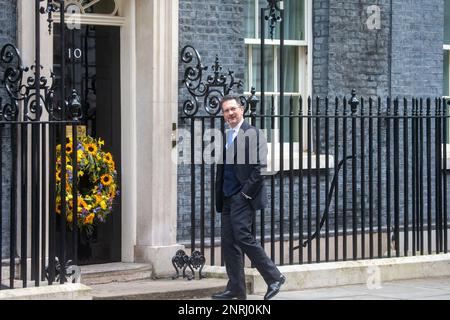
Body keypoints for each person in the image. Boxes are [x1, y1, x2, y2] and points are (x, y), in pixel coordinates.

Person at [211, 95, 285, 300]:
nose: (230, 113)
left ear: (242, 109)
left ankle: (274, 277)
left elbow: (259, 170)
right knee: (228, 243)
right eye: (226, 111)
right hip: (227, 197)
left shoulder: (253, 133)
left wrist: (244, 195)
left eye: (233, 109)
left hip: (242, 197)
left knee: (243, 237)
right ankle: (236, 288)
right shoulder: (227, 135)